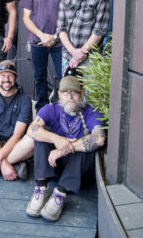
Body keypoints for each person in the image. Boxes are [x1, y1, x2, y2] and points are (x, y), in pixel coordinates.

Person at [25, 75, 106, 222]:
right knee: (42, 132)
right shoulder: (51, 109)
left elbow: (99, 139)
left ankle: (60, 195)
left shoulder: (91, 112)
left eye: (74, 92)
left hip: (80, 174)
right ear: (59, 95)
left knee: (88, 143)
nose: (69, 96)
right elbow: (31, 130)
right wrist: (57, 139)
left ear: (81, 94)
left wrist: (64, 149)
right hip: (56, 168)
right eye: (65, 92)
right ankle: (41, 188)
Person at [20, 0, 71, 111]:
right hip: (37, 42)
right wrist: (42, 35)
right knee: (39, 77)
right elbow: (26, 18)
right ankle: (42, 111)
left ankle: (65, 110)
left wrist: (54, 37)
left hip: (60, 42)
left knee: (65, 79)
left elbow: (70, 17)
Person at [56, 0, 110, 73]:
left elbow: (99, 31)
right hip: (68, 57)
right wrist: (73, 52)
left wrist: (81, 54)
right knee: (67, 91)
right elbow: (61, 29)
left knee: (88, 91)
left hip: (90, 59)